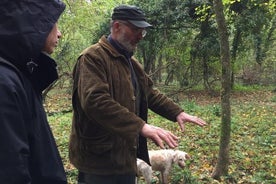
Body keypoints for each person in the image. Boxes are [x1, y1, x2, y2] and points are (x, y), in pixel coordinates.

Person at [69, 4, 207, 184]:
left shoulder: (131, 62)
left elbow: (149, 93)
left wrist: (177, 112)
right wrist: (141, 126)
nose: (140, 36)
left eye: (143, 31)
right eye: (135, 30)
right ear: (117, 27)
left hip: (126, 156)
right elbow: (95, 101)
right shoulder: (92, 58)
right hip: (99, 160)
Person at [0, 0, 67, 183]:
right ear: (33, 23)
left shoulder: (21, 74)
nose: (59, 34)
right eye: (53, 23)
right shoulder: (5, 82)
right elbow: (11, 171)